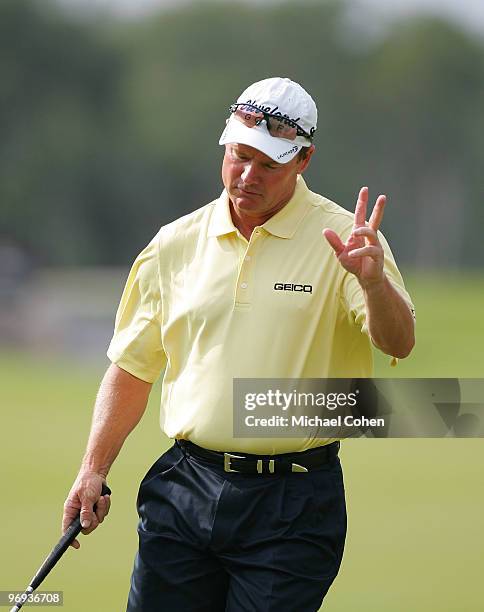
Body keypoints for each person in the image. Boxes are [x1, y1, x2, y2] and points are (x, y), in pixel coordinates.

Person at [62, 77, 415, 611]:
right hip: (184, 487)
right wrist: (93, 469)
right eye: (238, 156)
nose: (247, 176)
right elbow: (132, 367)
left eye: (268, 164)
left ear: (303, 160)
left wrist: (372, 282)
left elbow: (399, 341)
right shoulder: (174, 243)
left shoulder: (347, 239)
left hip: (293, 503)